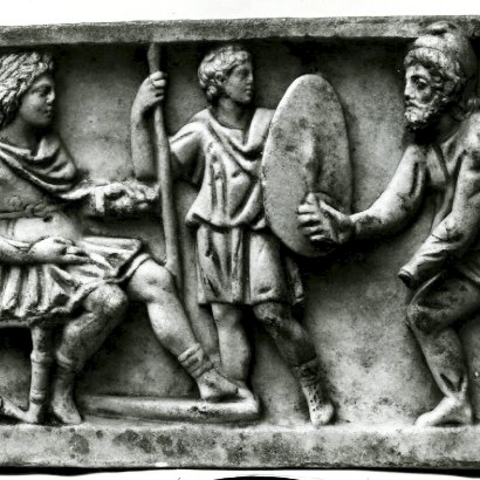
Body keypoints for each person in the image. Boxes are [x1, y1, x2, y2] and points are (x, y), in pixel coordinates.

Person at [0, 51, 237, 425]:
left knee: (156, 279)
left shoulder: (47, 146)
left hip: (75, 246)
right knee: (110, 301)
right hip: (27, 263)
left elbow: (72, 198)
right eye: (42, 92)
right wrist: (33, 253)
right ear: (14, 95)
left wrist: (108, 197)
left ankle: (205, 377)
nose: (52, 100)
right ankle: (62, 387)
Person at [131, 44, 335, 427]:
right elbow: (149, 170)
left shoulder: (272, 123)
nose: (251, 80)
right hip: (215, 233)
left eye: (251, 71)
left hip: (260, 229)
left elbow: (312, 160)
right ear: (219, 83)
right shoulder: (200, 130)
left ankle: (313, 386)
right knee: (226, 316)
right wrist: (139, 115)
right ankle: (239, 394)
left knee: (272, 313)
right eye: (242, 74)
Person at [298, 22, 480, 426]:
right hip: (465, 258)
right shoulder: (425, 144)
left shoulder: (475, 139)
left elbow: (461, 225)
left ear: (449, 90)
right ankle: (458, 402)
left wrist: (416, 266)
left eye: (420, 84)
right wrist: (350, 226)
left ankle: (459, 402)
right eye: (407, 81)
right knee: (425, 314)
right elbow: (398, 203)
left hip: (470, 253)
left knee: (426, 310)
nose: (406, 92)